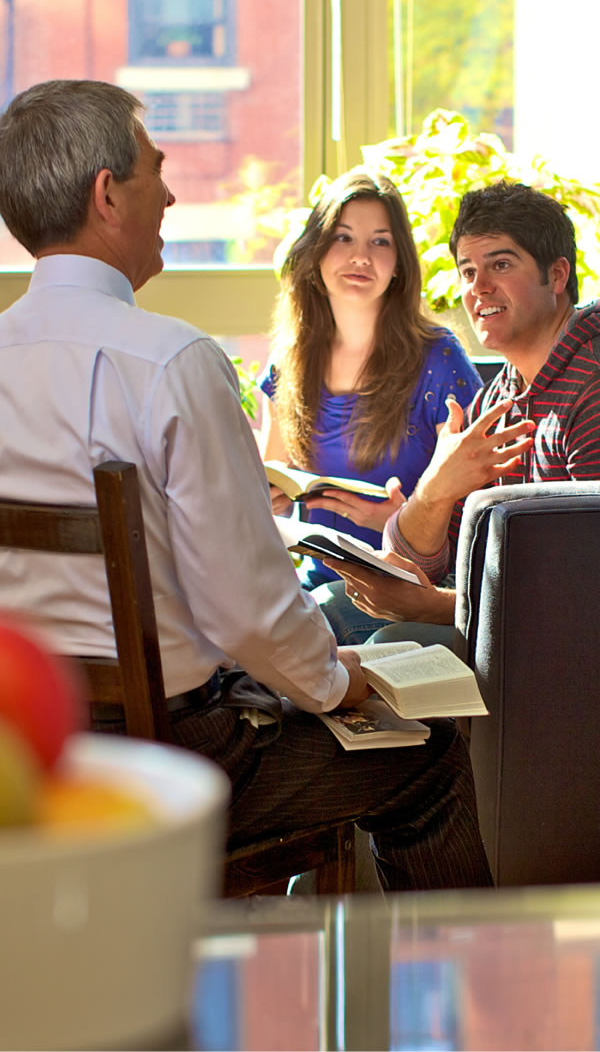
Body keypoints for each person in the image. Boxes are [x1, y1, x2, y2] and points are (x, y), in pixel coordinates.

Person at [0, 80, 493, 891]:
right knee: (428, 754)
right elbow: (245, 609)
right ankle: (475, 1004)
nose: (170, 192)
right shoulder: (172, 361)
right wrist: (337, 681)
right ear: (108, 192)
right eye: (157, 168)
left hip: (34, 755)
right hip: (176, 761)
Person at [330, 180, 600, 634]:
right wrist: (436, 487)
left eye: (501, 264)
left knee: (386, 637)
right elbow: (410, 561)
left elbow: (581, 592)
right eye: (468, 271)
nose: (480, 288)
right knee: (328, 606)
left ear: (557, 275)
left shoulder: (590, 390)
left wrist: (431, 607)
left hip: (567, 647)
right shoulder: (494, 399)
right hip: (511, 618)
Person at [259, 167, 481, 644]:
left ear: (399, 262)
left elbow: (481, 513)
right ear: (314, 254)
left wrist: (399, 525)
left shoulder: (439, 360)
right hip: (313, 586)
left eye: (380, 242)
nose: (360, 256)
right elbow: (270, 479)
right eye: (343, 238)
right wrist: (271, 497)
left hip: (404, 588)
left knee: (290, 641)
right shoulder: (289, 362)